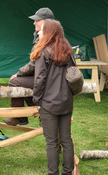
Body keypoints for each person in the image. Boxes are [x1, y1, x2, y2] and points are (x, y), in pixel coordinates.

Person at [30, 19, 74, 175]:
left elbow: (39, 79)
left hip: (49, 103)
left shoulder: (43, 51)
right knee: (66, 140)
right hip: (66, 102)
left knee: (51, 142)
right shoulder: (69, 51)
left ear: (48, 32)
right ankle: (67, 172)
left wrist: (37, 99)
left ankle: (53, 173)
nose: (39, 32)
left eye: (42, 29)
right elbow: (74, 74)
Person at [4, 7, 55, 126]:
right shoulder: (41, 35)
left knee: (15, 82)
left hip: (47, 78)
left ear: (46, 22)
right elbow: (35, 61)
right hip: (43, 75)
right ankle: (40, 112)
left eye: (37, 20)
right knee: (21, 82)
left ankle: (21, 116)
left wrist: (18, 73)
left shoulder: (46, 38)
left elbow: (34, 63)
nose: (34, 22)